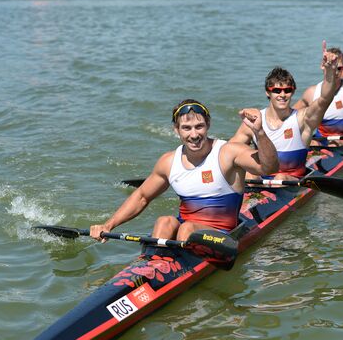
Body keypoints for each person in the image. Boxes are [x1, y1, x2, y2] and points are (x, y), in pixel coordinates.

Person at [90, 100, 279, 244]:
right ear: (176, 130)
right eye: (186, 128)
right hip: (186, 233)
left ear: (208, 125)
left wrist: (259, 132)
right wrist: (108, 225)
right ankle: (152, 265)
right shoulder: (168, 161)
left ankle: (168, 267)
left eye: (199, 126)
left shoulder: (228, 152)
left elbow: (269, 168)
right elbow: (141, 196)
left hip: (223, 235)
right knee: (164, 221)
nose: (194, 135)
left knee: (187, 228)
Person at [229, 41, 343, 181]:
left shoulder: (303, 119)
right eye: (277, 90)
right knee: (243, 174)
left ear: (293, 91)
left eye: (287, 90)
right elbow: (229, 151)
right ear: (267, 93)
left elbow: (325, 98)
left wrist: (330, 73)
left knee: (280, 176)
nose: (282, 95)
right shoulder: (254, 120)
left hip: (291, 180)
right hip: (262, 178)